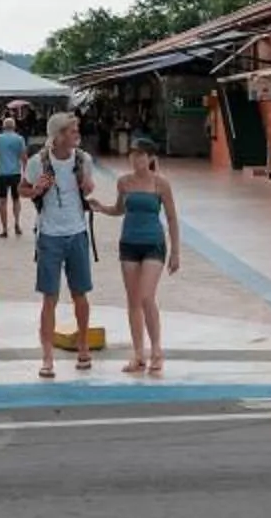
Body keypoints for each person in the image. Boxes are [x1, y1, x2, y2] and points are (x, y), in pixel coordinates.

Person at [20, 110, 104, 378]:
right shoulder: (38, 162)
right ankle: (47, 356)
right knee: (50, 297)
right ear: (57, 136)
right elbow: (22, 189)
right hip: (49, 234)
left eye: (76, 129)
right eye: (71, 130)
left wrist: (88, 186)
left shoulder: (83, 159)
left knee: (80, 293)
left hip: (78, 231)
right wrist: (36, 190)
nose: (76, 133)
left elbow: (88, 188)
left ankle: (83, 347)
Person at [111, 137, 181, 375]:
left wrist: (175, 252)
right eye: (132, 154)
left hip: (153, 243)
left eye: (141, 155)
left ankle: (157, 350)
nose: (136, 159)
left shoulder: (161, 184)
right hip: (129, 243)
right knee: (132, 300)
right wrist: (100, 208)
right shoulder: (123, 182)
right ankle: (138, 354)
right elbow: (120, 209)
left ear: (150, 158)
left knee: (146, 297)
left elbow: (171, 218)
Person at [0, 115, 29, 237]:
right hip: (15, 173)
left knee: (2, 201)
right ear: (14, 126)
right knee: (16, 199)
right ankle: (17, 223)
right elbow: (24, 158)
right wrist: (26, 174)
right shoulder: (19, 139)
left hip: (2, 173)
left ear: (3, 126)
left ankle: (5, 228)